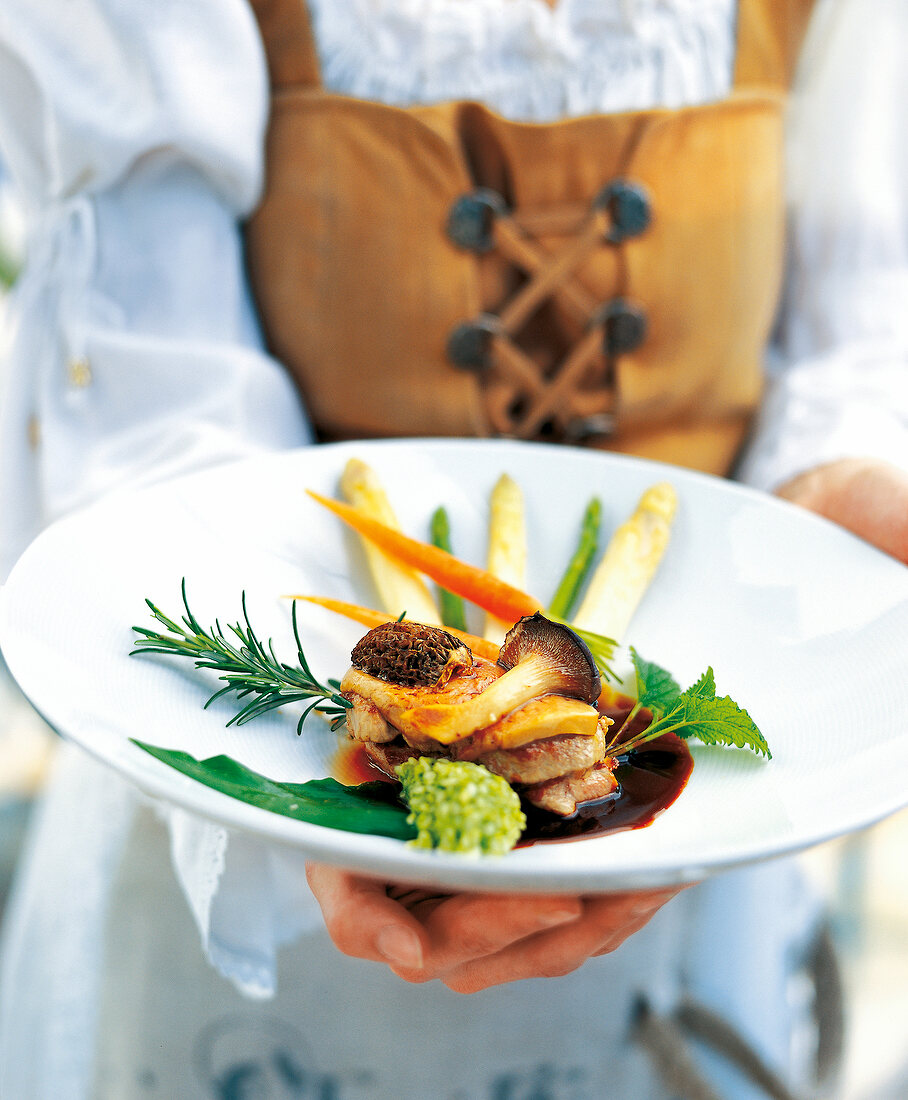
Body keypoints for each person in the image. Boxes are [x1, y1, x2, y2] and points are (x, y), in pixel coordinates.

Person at [0, 0, 905, 1097]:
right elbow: (148, 371)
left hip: (702, 829)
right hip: (253, 807)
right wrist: (322, 765)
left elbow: (860, 307)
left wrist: (818, 517)